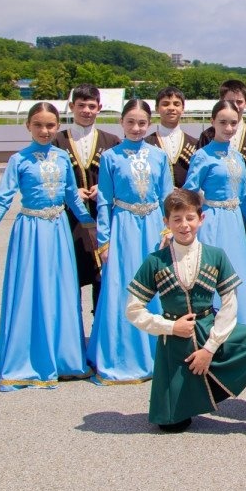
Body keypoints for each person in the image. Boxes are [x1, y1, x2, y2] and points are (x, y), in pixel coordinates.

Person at [125, 188, 246, 437]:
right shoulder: (155, 261)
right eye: (177, 219)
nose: (184, 225)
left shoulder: (215, 256)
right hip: (175, 345)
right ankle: (190, 398)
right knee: (171, 425)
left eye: (190, 218)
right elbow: (133, 309)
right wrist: (170, 327)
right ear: (166, 222)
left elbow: (229, 304)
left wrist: (209, 348)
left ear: (201, 219)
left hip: (211, 332)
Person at [0, 102, 95, 390]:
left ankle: (64, 359)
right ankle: (28, 360)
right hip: (30, 232)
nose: (45, 130)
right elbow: (2, 200)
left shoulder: (63, 158)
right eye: (38, 125)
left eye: (50, 125)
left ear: (56, 127)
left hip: (59, 230)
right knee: (30, 292)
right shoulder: (18, 160)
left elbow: (72, 197)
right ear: (28, 126)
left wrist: (91, 227)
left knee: (60, 292)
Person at [88, 99, 174, 384]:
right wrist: (104, 241)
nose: (136, 128)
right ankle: (119, 353)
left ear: (149, 124)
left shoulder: (159, 156)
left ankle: (157, 353)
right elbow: (103, 202)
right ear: (121, 123)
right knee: (122, 285)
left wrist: (168, 231)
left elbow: (167, 197)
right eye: (130, 122)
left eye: (142, 123)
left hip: (152, 227)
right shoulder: (111, 157)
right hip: (123, 226)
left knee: (156, 286)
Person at [184, 100, 246, 326]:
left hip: (235, 222)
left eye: (233, 123)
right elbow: (189, 192)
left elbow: (244, 195)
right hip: (213, 221)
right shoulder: (203, 156)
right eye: (223, 122)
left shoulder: (237, 157)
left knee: (237, 273)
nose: (229, 128)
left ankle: (239, 327)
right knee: (213, 274)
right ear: (213, 122)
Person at [53, 84, 117, 313]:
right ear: (72, 107)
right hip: (68, 222)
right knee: (70, 278)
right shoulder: (56, 141)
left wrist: (106, 188)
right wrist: (68, 194)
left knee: (103, 278)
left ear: (99, 108)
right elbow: (46, 181)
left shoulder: (112, 142)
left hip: (103, 220)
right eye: (81, 105)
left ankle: (100, 334)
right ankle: (72, 337)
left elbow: (123, 180)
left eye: (92, 106)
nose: (87, 111)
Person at [197, 79, 246, 216]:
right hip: (216, 199)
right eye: (230, 101)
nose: (235, 106)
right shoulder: (208, 135)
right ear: (221, 101)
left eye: (240, 102)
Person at [145, 86, 197, 187]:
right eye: (165, 104)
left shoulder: (194, 143)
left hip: (187, 200)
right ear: (157, 109)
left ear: (183, 109)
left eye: (176, 104)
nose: (171, 108)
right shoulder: (146, 143)